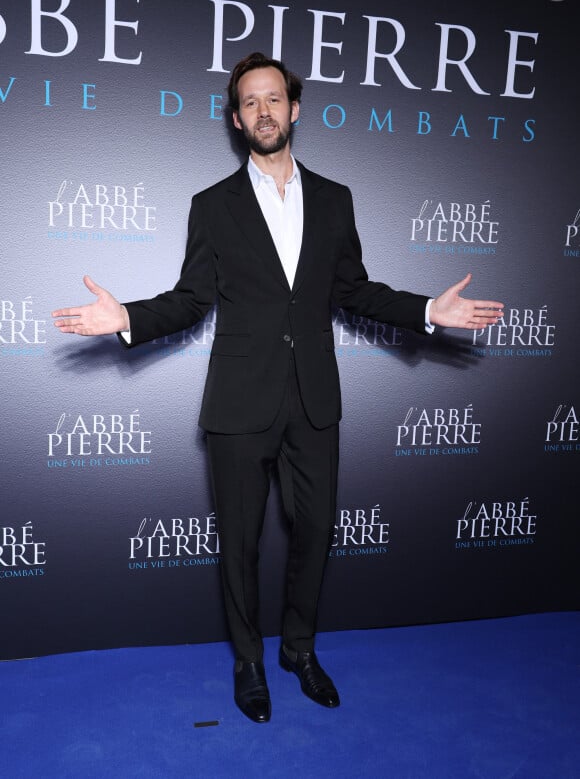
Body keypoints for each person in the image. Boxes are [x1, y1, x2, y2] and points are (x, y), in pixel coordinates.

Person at [52, 51, 504, 723]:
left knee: (316, 532)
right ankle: (250, 661)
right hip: (240, 400)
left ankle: (298, 648)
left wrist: (428, 310)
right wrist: (128, 318)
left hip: (315, 399)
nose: (263, 111)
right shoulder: (212, 205)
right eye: (250, 103)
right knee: (238, 542)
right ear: (237, 121)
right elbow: (189, 299)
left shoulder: (335, 198)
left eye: (274, 99)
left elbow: (352, 290)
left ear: (294, 109)